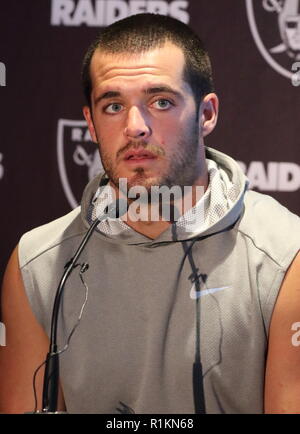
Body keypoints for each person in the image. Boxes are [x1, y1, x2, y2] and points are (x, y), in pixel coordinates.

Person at [0, 13, 300, 415]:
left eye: (161, 102)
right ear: (89, 122)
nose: (135, 126)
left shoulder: (285, 255)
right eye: (113, 105)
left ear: (206, 113)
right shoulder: (36, 263)